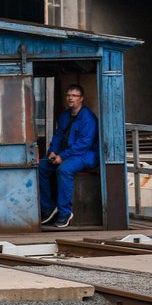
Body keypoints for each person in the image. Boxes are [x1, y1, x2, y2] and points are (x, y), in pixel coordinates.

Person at [38, 84, 98, 228]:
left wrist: (62, 156)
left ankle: (65, 213)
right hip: (67, 154)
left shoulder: (88, 117)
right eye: (68, 95)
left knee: (63, 170)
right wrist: (52, 151)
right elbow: (58, 136)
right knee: (41, 167)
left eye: (74, 95)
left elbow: (84, 144)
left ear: (81, 99)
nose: (70, 98)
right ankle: (49, 208)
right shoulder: (65, 115)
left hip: (86, 155)